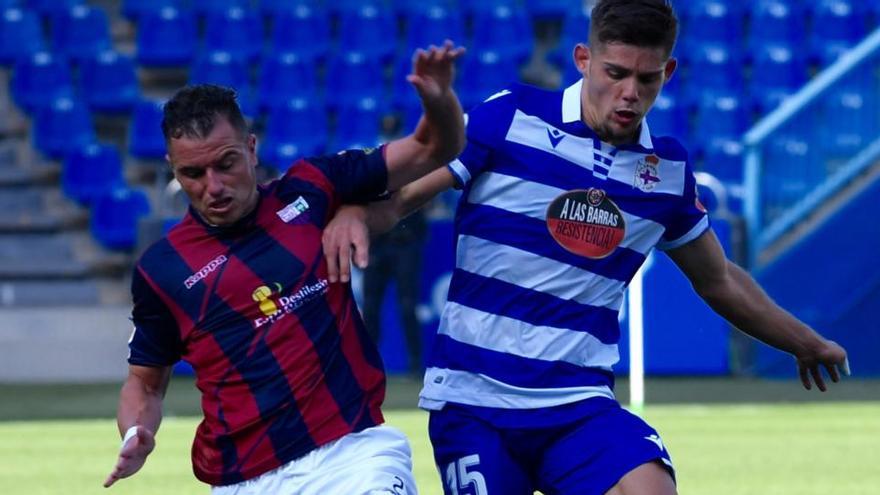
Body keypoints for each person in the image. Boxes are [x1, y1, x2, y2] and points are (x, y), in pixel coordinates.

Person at [321, 2, 850, 494]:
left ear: (667, 74)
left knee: (650, 487)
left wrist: (802, 340)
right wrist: (358, 213)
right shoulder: (511, 117)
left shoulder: (666, 173)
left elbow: (719, 278)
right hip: (474, 403)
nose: (629, 93)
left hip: (578, 406)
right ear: (583, 60)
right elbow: (404, 196)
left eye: (646, 79)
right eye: (615, 73)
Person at [103, 41, 465, 494]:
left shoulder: (312, 189)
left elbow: (436, 147)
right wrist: (138, 433)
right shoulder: (162, 270)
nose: (213, 186)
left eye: (226, 163)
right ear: (172, 168)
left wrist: (437, 100)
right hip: (244, 479)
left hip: (352, 454)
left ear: (251, 149)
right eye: (193, 174)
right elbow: (145, 386)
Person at [361, 207, 428, 377]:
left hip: (405, 243)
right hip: (377, 245)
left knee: (407, 306)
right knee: (370, 307)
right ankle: (367, 364)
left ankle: (415, 363)